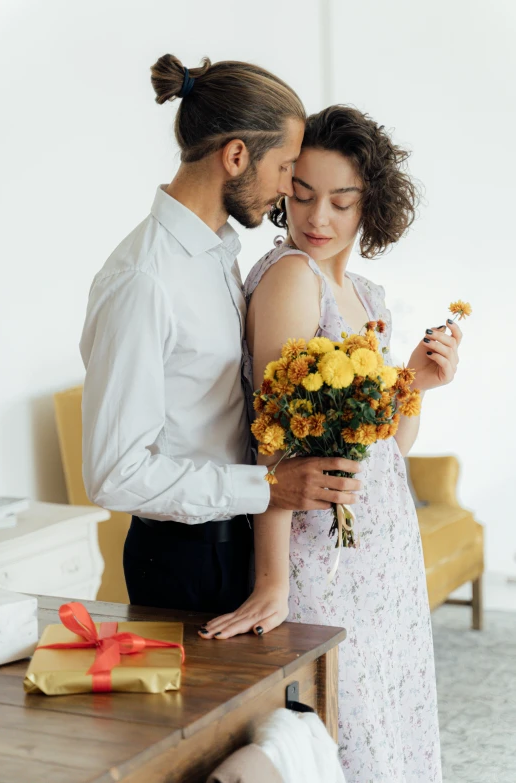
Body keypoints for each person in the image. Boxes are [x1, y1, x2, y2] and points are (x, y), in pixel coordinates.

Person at [200, 105, 462, 781]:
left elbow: (389, 444)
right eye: (302, 195)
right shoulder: (291, 276)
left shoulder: (366, 290)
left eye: (340, 202)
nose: (317, 219)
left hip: (382, 544)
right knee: (349, 729)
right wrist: (272, 580)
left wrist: (416, 384)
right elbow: (273, 442)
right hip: (323, 556)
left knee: (387, 712)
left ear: (368, 204)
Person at [80, 56, 363, 617]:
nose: (287, 191)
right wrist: (266, 488)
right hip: (184, 562)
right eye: (285, 169)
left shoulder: (218, 255)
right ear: (236, 156)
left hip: (239, 547)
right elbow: (115, 475)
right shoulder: (145, 279)